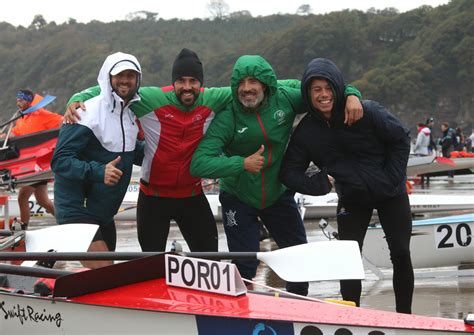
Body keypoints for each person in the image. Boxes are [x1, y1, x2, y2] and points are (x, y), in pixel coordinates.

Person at [190, 55, 363, 296]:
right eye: (240, 83)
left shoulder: (285, 97)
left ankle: (297, 311)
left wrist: (353, 95)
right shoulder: (228, 117)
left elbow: (325, 90)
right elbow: (197, 164)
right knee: (244, 265)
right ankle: (242, 316)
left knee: (299, 259)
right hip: (239, 197)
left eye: (253, 81)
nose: (246, 88)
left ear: (266, 84)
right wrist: (241, 163)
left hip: (277, 194)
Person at [279, 58, 413, 313]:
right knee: (349, 259)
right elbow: (288, 173)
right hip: (352, 198)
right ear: (308, 93)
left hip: (391, 194)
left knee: (401, 253)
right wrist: (319, 185)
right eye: (316, 89)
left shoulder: (365, 110)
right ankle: (352, 316)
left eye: (328, 87)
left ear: (338, 88)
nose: (324, 94)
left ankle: (405, 318)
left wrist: (393, 178)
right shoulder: (306, 131)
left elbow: (401, 138)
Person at [52, 52, 144, 269]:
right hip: (77, 209)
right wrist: (98, 171)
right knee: (107, 272)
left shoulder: (130, 115)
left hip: (103, 213)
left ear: (138, 80)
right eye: (119, 75)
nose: (125, 80)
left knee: (104, 280)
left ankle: (60, 292)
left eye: (131, 75)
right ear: (107, 78)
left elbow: (134, 153)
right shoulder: (85, 111)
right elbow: (60, 161)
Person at [2, 89, 63, 227]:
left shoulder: (41, 114)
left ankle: (24, 226)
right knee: (42, 200)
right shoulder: (23, 118)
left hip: (38, 165)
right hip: (33, 165)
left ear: (29, 101)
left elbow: (61, 120)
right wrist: (3, 137)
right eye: (17, 100)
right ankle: (64, 221)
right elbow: (16, 133)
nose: (18, 103)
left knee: (23, 197)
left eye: (21, 100)